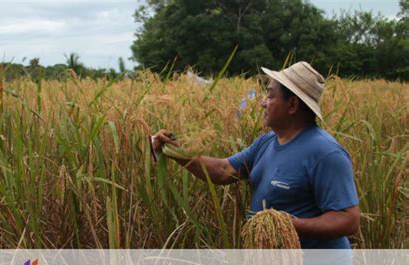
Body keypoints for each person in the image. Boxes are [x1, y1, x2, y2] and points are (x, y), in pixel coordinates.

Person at [151, 61, 360, 249]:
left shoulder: (326, 153)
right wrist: (176, 151)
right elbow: (224, 171)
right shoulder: (267, 142)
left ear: (293, 105)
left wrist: (285, 225)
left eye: (270, 95)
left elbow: (348, 220)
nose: (262, 102)